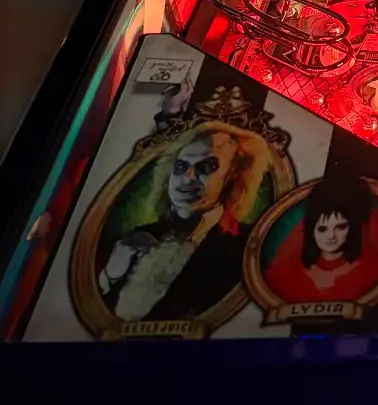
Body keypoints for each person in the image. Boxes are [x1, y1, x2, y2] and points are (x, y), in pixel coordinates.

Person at [99, 120, 274, 322]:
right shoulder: (133, 239)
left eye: (206, 167)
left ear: (233, 175)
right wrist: (111, 275)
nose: (187, 177)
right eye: (181, 166)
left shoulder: (248, 246)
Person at [264, 175, 378, 305]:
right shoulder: (287, 275)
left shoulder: (371, 273)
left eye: (340, 227)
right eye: (322, 229)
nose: (330, 236)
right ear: (311, 230)